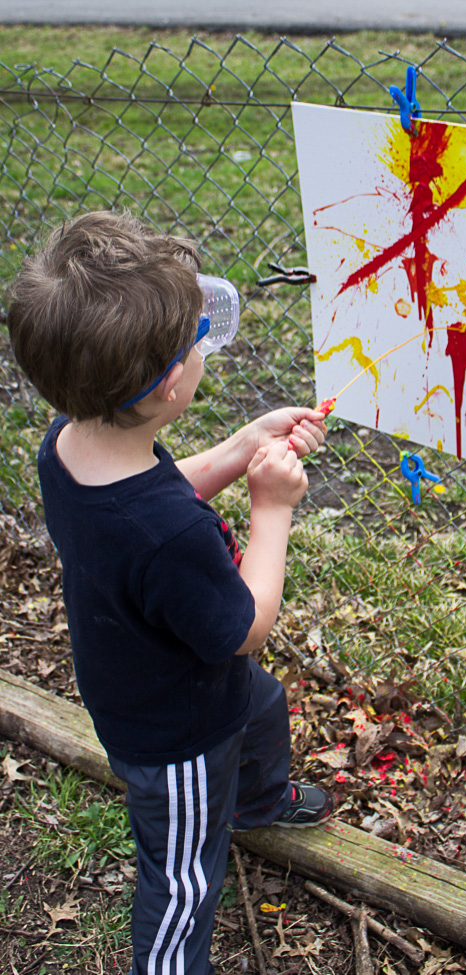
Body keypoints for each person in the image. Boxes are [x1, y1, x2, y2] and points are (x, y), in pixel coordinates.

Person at [7, 210, 333, 975]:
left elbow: (159, 488)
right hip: (175, 735)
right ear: (169, 384)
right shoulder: (171, 540)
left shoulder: (66, 443)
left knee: (259, 707)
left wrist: (242, 444)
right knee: (183, 878)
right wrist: (271, 508)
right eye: (197, 338)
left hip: (149, 671)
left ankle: (256, 803)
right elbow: (245, 626)